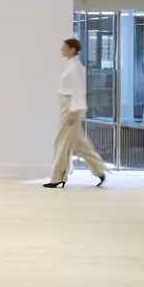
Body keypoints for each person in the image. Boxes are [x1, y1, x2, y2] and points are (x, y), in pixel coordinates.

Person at [44, 38, 107, 189]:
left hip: (71, 108)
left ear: (72, 49)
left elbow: (78, 91)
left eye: (64, 47)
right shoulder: (71, 65)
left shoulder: (76, 67)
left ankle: (57, 177)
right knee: (79, 143)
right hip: (67, 106)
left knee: (62, 142)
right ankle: (99, 170)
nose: (62, 49)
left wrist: (73, 112)